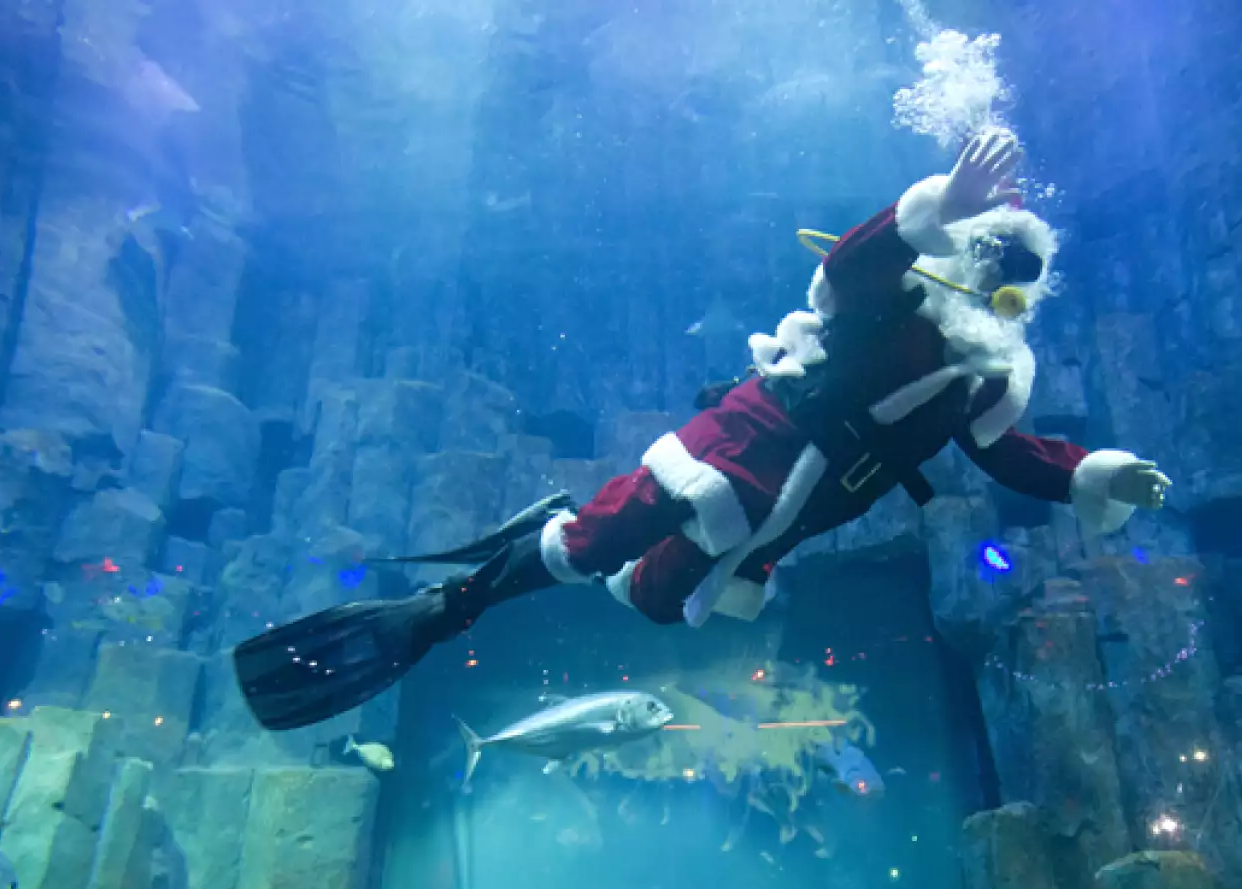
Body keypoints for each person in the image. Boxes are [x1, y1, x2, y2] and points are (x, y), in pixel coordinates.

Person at [233, 129, 1173, 731]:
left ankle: (535, 540)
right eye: (993, 259)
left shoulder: (990, 374)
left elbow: (1011, 451)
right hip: (737, 451)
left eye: (1018, 278)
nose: (1002, 289)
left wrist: (1099, 472)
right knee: (595, 540)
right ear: (964, 251)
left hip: (806, 508)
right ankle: (451, 608)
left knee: (654, 600)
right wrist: (932, 209)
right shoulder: (890, 299)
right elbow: (849, 264)